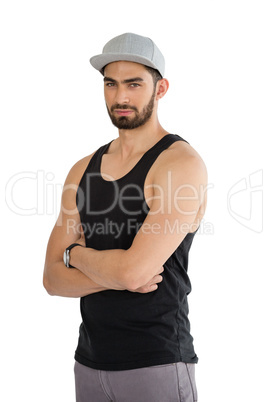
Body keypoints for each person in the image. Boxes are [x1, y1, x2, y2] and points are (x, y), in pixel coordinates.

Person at [43, 32, 207, 402]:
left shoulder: (179, 164)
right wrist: (115, 271)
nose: (120, 97)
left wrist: (76, 256)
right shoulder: (82, 169)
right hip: (88, 362)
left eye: (134, 84)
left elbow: (132, 272)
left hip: (157, 362)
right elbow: (52, 279)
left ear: (160, 88)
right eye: (111, 84)